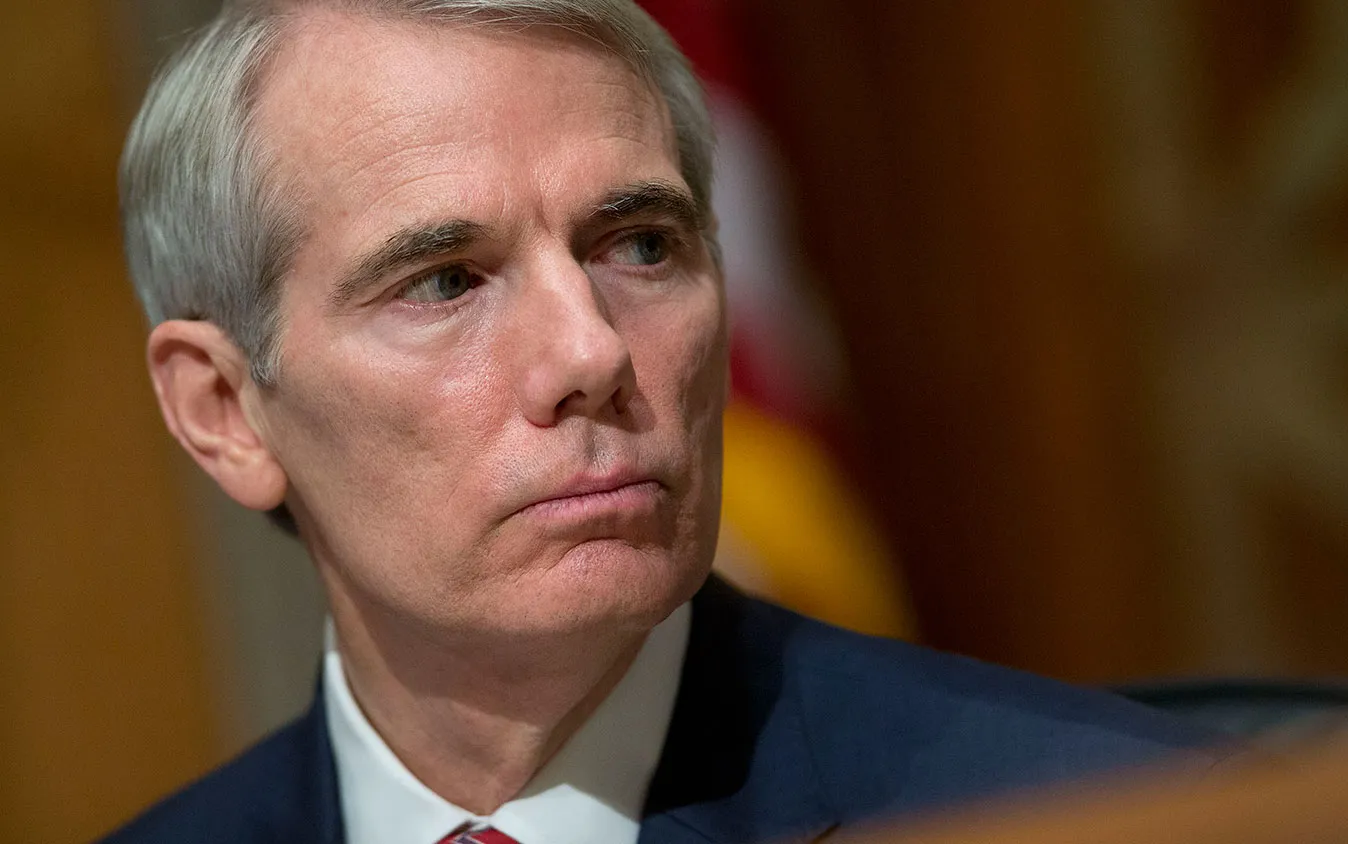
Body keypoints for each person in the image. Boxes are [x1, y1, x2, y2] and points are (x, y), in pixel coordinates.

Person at [103, 1, 1229, 842]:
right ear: (226, 411)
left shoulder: (1110, 813)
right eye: (445, 281)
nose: (591, 351)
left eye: (640, 246)